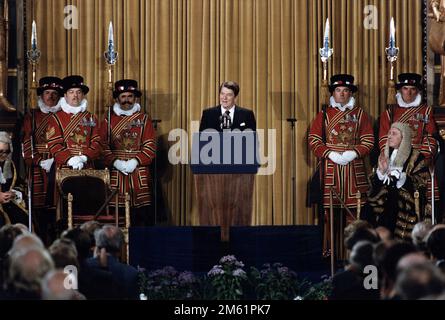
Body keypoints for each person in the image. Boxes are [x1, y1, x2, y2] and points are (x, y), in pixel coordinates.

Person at [308, 74, 374, 258]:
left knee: (354, 214)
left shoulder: (360, 115)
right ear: (333, 93)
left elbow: (369, 140)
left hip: (354, 170)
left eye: (345, 90)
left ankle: (354, 256)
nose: (342, 94)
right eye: (338, 90)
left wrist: (354, 153)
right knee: (329, 215)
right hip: (331, 169)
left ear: (351, 93)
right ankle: (329, 253)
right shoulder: (323, 115)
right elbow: (313, 140)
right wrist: (331, 154)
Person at [378, 73, 438, 218]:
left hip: (418, 164)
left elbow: (431, 138)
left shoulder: (426, 111)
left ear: (418, 91)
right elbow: (383, 139)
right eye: (405, 88)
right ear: (400, 91)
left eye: (413, 89)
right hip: (395, 162)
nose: (409, 92)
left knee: (420, 205)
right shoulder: (389, 113)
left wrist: (419, 158)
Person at [100, 79, 157, 226]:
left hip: (139, 173)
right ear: (117, 98)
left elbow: (150, 146)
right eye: (123, 96)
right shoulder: (108, 120)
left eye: (130, 96)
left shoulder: (144, 119)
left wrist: (135, 161)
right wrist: (115, 162)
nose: (126, 100)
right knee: (115, 217)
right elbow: (102, 145)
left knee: (142, 217)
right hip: (116, 173)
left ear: (135, 98)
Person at [367, 122, 431, 240]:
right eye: (389, 133)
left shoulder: (417, 156)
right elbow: (374, 185)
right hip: (383, 198)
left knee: (392, 204)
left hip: (406, 200)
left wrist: (402, 178)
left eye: (394, 134)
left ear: (403, 138)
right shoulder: (385, 154)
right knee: (368, 207)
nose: (389, 136)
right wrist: (381, 173)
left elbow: (422, 181)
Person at [22, 76, 63, 243]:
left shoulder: (64, 116)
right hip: (39, 167)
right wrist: (38, 161)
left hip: (58, 164)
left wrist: (57, 160)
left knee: (58, 207)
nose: (51, 97)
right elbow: (26, 143)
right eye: (47, 93)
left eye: (54, 93)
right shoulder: (32, 116)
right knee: (39, 208)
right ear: (41, 95)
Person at [46, 75, 101, 170]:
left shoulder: (91, 118)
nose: (75, 95)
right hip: (64, 166)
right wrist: (70, 160)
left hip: (87, 165)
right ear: (65, 95)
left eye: (78, 92)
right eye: (71, 92)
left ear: (83, 95)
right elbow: (54, 144)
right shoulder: (55, 118)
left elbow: (97, 142)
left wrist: (83, 158)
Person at [0, 132, 28, 227]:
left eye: (6, 152)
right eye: (0, 151)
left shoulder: (11, 165)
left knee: (22, 218)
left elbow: (19, 185)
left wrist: (13, 193)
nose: (3, 154)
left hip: (8, 204)